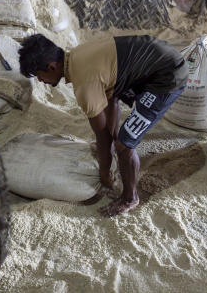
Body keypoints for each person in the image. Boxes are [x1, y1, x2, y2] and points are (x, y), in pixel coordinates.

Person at [18, 34, 188, 217]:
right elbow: (112, 98)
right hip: (156, 59)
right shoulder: (78, 54)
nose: (40, 80)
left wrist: (105, 173)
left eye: (38, 75)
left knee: (126, 144)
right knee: (119, 139)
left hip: (167, 74)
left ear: (52, 67)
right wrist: (112, 142)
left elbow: (102, 137)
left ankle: (130, 198)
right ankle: (121, 152)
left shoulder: (85, 84)